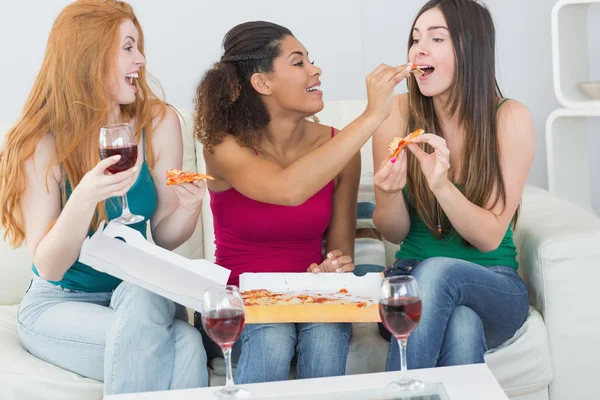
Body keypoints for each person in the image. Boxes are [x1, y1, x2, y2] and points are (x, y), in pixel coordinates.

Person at [0, 0, 208, 394]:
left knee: (142, 285)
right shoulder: (38, 141)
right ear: (90, 56)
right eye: (128, 47)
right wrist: (84, 197)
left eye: (139, 46)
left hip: (140, 294)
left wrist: (190, 205)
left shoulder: (159, 122)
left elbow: (162, 237)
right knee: (186, 343)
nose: (142, 59)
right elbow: (49, 267)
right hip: (60, 304)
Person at [192, 21, 412, 383]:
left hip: (313, 294)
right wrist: (373, 115)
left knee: (326, 335)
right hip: (243, 299)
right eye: (298, 62)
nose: (315, 69)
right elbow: (287, 190)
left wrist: (333, 267)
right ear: (262, 83)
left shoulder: (337, 145)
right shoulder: (222, 144)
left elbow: (340, 253)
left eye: (311, 59)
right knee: (274, 337)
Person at [372, 0, 534, 370]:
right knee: (461, 324)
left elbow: (489, 237)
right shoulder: (395, 113)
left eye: (437, 38)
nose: (419, 49)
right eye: (415, 39)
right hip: (408, 279)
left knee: (440, 271)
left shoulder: (509, 118)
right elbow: (393, 231)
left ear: (470, 49)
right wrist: (389, 192)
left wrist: (442, 186)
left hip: (494, 281)